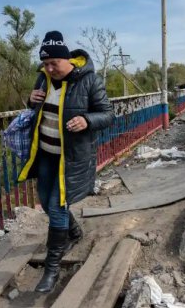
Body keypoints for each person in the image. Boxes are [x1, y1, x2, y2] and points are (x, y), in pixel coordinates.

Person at [18, 30, 115, 293]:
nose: (49, 69)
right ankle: (74, 232)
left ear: (67, 59)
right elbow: (38, 111)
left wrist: (87, 120)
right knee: (47, 203)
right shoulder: (43, 79)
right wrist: (31, 100)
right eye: (45, 64)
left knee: (56, 207)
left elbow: (107, 115)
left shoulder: (89, 81)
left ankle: (51, 270)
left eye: (54, 64)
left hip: (70, 158)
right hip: (46, 153)